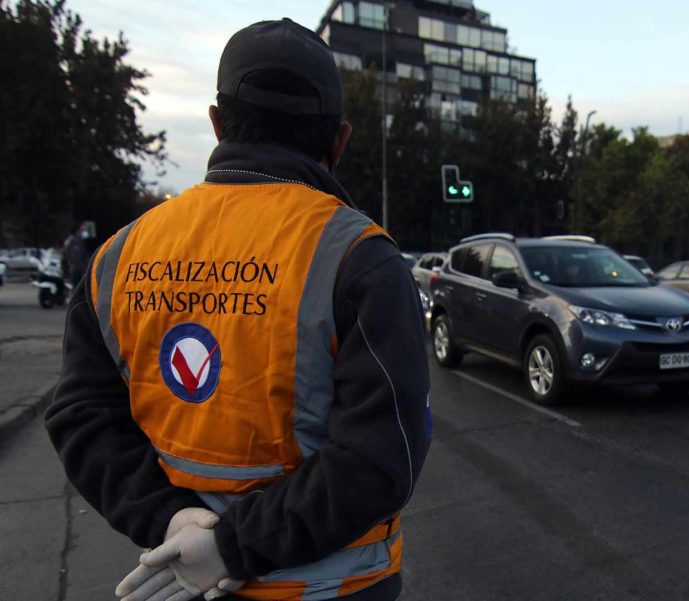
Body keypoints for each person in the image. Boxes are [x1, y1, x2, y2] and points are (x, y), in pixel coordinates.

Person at [45, 18, 431, 601]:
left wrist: (170, 522)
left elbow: (81, 416)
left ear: (218, 123)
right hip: (335, 587)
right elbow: (381, 457)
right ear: (339, 142)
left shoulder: (117, 257)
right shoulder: (360, 257)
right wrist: (231, 549)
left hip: (178, 575)